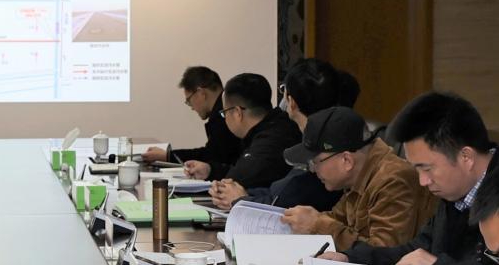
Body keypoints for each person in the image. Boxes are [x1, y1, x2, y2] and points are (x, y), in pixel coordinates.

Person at [324, 92, 499, 265]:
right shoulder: (456, 191)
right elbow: (418, 250)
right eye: (417, 169)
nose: (423, 181)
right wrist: (351, 261)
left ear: (466, 157)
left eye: (427, 169)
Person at [208, 59, 356, 211]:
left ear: (291, 102)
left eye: (283, 90)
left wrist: (241, 200)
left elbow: (289, 198)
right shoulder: (334, 134)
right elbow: (280, 191)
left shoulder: (318, 147)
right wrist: (244, 196)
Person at [280, 106, 434, 250]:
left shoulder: (393, 180)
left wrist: (318, 225)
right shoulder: (360, 176)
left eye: (315, 162)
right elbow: (338, 220)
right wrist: (307, 221)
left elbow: (383, 253)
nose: (313, 171)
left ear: (347, 160)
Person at [183, 72, 300, 188]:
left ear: (237, 113)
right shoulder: (276, 126)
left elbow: (236, 181)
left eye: (224, 113)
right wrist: (211, 171)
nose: (225, 118)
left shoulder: (269, 142)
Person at [141, 66, 240, 175]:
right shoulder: (223, 109)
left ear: (201, 93)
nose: (191, 107)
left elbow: (212, 156)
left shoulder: (224, 114)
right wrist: (168, 155)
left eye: (189, 100)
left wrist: (169, 155)